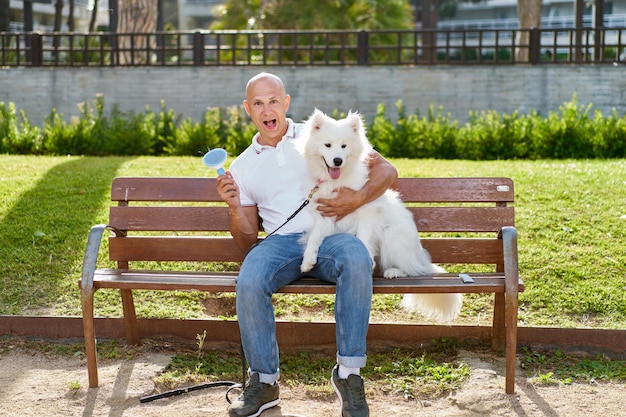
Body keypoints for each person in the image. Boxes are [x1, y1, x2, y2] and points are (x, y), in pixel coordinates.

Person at [216, 72, 398, 417]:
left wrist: (354, 200)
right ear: (247, 109)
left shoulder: (321, 134)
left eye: (273, 101)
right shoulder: (242, 165)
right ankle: (264, 382)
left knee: (357, 256)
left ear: (285, 103)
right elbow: (246, 239)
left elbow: (388, 172)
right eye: (258, 103)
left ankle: (349, 375)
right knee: (250, 277)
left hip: (332, 236)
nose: (267, 110)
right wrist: (234, 206)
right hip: (281, 244)